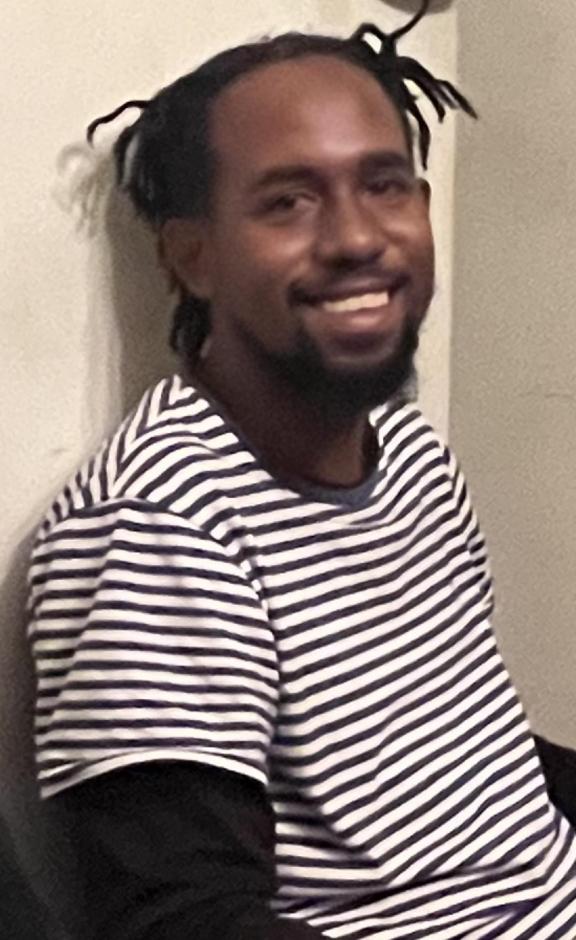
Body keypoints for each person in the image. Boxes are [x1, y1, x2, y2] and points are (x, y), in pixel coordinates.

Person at [28, 2, 576, 937]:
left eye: (385, 185)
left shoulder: (411, 457)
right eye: (288, 201)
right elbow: (180, 917)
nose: (359, 237)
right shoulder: (163, 523)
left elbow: (464, 770)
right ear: (192, 257)